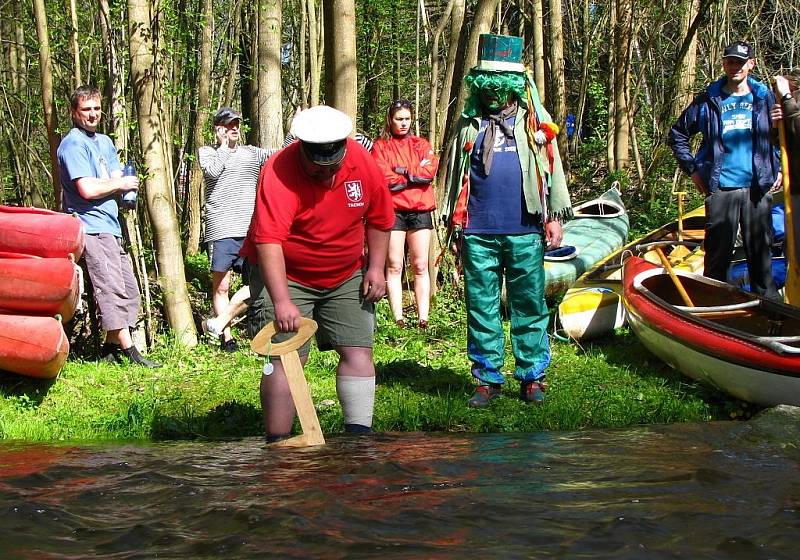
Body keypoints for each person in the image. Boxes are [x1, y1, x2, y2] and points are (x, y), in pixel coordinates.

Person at [241, 105, 395, 442]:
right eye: (316, 167)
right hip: (286, 272)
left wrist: (376, 268)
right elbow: (268, 240)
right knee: (286, 355)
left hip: (346, 270)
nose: (324, 173)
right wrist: (281, 301)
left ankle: (359, 440)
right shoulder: (278, 170)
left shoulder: (362, 161)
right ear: (303, 150)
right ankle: (278, 444)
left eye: (332, 166)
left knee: (358, 349)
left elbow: (382, 218)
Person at [441, 34, 572, 408]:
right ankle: (486, 379)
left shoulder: (535, 126)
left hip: (525, 228)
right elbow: (454, 175)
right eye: (488, 86)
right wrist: (453, 223)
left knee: (528, 303)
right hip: (478, 229)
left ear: (513, 86)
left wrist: (554, 217)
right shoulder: (469, 125)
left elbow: (552, 172)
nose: (494, 94)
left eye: (500, 86)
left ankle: (532, 378)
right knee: (481, 305)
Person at [57, 85, 161, 368]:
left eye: (96, 109)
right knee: (110, 287)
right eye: (86, 110)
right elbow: (87, 188)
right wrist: (121, 184)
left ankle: (110, 348)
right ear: (73, 112)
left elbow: (114, 174)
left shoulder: (103, 141)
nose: (92, 115)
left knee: (128, 286)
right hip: (89, 226)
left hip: (111, 225)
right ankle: (131, 352)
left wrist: (126, 182)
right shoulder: (72, 144)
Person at [669, 41, 782, 298]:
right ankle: (713, 309)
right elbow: (677, 134)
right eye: (730, 62)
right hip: (722, 187)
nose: (734, 67)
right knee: (718, 257)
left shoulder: (764, 98)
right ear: (724, 64)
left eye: (740, 63)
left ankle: (768, 313)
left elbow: (779, 137)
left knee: (761, 255)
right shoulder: (710, 99)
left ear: (750, 64)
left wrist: (779, 169)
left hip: (757, 187)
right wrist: (694, 170)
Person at [199, 107, 277, 352]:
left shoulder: (251, 153)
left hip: (250, 229)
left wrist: (295, 132)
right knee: (221, 286)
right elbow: (211, 172)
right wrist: (223, 147)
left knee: (255, 284)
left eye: (236, 125)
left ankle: (221, 323)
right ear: (218, 128)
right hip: (221, 227)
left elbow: (279, 155)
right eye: (228, 125)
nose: (233, 129)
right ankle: (226, 338)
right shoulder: (208, 152)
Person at [371, 99, 439, 329]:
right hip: (393, 211)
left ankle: (423, 318)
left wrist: (401, 171)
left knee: (420, 265)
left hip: (420, 210)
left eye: (407, 119)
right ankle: (398, 318)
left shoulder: (421, 144)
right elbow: (383, 178)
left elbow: (428, 171)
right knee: (394, 266)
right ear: (390, 120)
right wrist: (411, 175)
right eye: (399, 119)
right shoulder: (380, 146)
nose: (403, 124)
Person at [771, 70, 800, 276]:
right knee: (794, 251)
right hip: (796, 189)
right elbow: (787, 145)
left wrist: (788, 100)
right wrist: (775, 127)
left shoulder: (792, 104)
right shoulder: (789, 108)